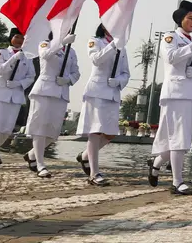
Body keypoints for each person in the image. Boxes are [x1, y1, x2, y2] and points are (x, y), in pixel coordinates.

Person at [148, 0, 192, 195]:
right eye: (190, 18)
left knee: (181, 139)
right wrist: (191, 48)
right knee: (178, 138)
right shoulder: (170, 37)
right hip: (175, 92)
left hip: (191, 93)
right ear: (180, 19)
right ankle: (177, 182)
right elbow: (170, 58)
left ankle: (156, 164)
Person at [76, 24, 130, 186]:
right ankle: (94, 173)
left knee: (110, 133)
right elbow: (96, 59)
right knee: (95, 131)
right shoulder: (95, 41)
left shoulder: (122, 48)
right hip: (97, 91)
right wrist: (113, 45)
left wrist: (119, 81)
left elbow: (126, 72)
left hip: (112, 93)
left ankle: (85, 156)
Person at [24, 31, 80, 178]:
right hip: (44, 90)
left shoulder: (71, 51)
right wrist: (61, 42)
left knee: (53, 133)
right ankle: (40, 164)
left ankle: (31, 154)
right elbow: (45, 55)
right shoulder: (45, 43)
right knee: (39, 128)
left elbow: (76, 72)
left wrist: (68, 79)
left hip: (61, 92)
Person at [0, 28, 35, 170]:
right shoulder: (1, 52)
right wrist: (13, 59)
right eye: (17, 37)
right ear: (11, 38)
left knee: (6, 130)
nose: (19, 40)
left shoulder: (27, 57)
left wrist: (19, 84)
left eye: (22, 38)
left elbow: (31, 76)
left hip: (15, 95)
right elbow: (0, 70)